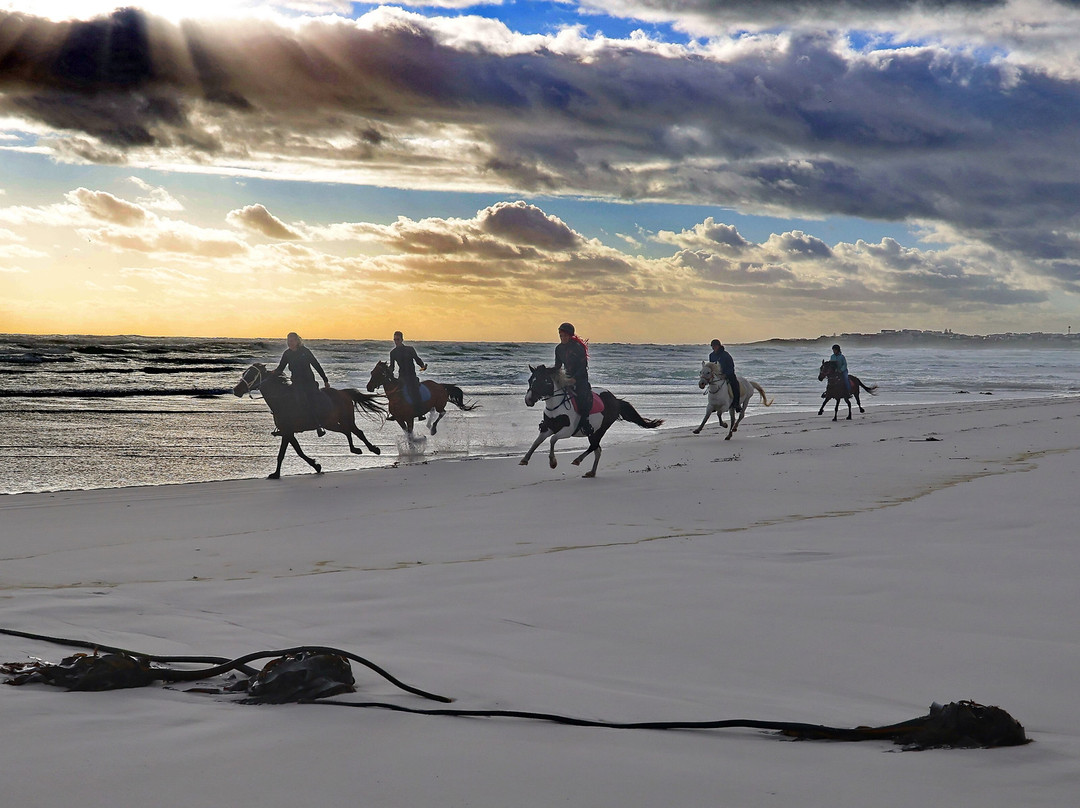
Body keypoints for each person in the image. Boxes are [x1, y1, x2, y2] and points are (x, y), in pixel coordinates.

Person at [270, 332, 330, 435]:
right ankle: (286, 425)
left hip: (308, 382)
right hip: (296, 382)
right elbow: (280, 368)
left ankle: (318, 425)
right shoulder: (287, 353)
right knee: (286, 398)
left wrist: (325, 380)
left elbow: (316, 365)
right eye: (288, 341)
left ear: (297, 341)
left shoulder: (305, 351)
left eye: (292, 341)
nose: (290, 343)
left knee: (305, 399)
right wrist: (271, 374)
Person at [553, 322, 593, 436]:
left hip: (580, 378)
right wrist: (548, 372)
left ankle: (585, 422)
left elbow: (583, 366)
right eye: (561, 336)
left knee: (582, 397)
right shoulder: (558, 349)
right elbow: (558, 366)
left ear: (570, 336)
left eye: (565, 336)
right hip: (567, 378)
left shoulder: (578, 347)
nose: (562, 338)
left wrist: (575, 379)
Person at [389, 331, 428, 420]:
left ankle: (420, 413)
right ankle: (395, 413)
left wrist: (422, 366)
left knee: (415, 392)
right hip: (402, 376)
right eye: (395, 340)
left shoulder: (409, 349)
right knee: (395, 393)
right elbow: (392, 367)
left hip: (411, 375)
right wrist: (388, 373)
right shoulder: (393, 353)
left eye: (398, 339)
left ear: (402, 339)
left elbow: (417, 359)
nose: (396, 341)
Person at [708, 339, 741, 412]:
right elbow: (711, 366)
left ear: (719, 346)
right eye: (713, 346)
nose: (714, 347)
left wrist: (725, 374)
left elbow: (731, 366)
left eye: (715, 346)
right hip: (717, 375)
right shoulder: (711, 355)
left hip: (728, 373)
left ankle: (737, 404)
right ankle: (713, 403)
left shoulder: (726, 355)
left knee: (735, 384)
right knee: (711, 384)